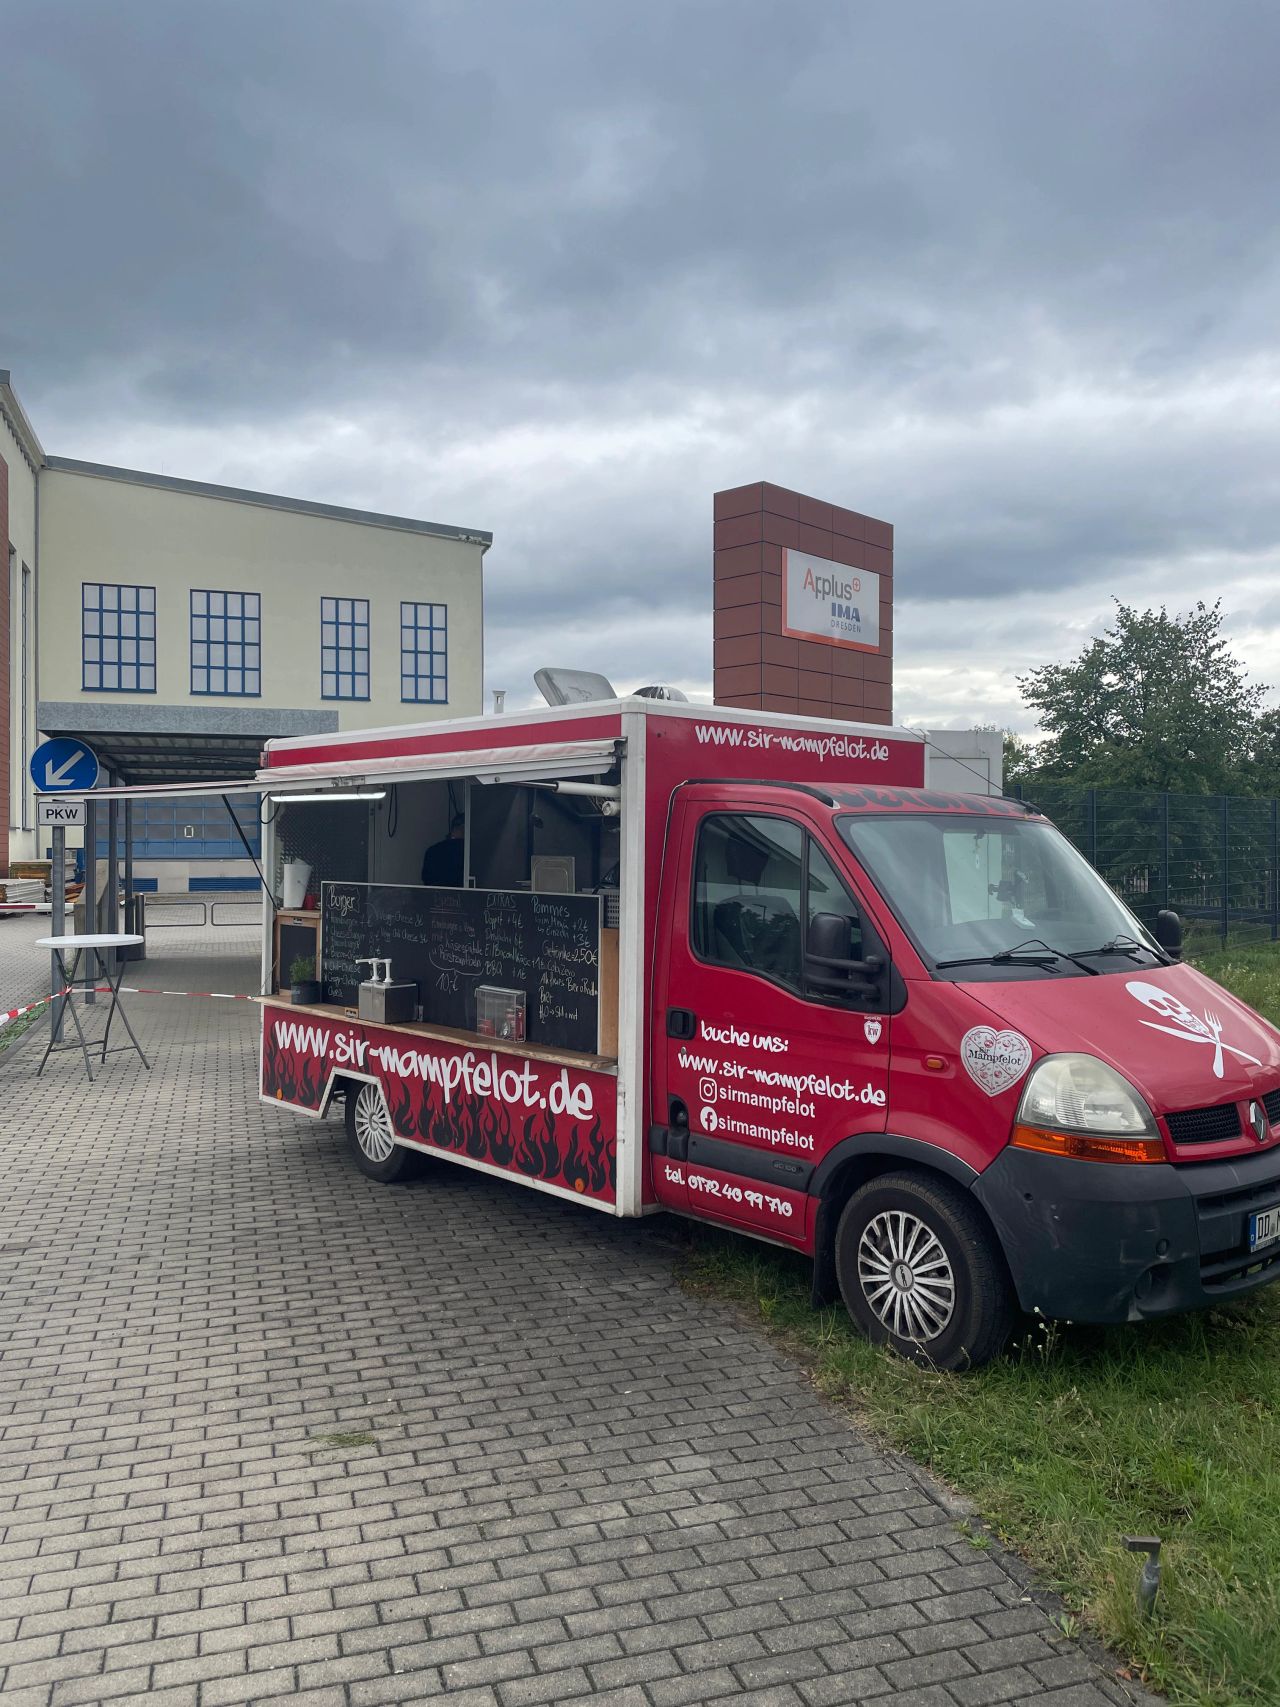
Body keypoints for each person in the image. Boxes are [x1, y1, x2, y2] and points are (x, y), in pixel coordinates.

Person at [422, 812, 465, 887]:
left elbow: (426, 879)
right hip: (463, 896)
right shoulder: (468, 853)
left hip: (434, 896)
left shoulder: (432, 851)